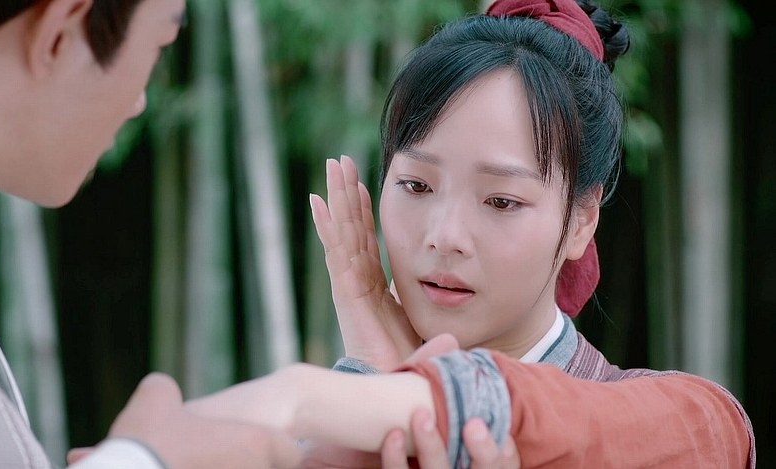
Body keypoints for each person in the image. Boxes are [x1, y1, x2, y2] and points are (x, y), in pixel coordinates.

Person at [0, 0, 511, 467]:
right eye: (161, 43)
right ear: (62, 30)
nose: (140, 100)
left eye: (501, 200)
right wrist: (144, 459)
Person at [187, 0, 756, 467]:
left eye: (501, 201)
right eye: (415, 185)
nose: (445, 236)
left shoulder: (668, 423)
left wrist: (381, 396)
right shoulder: (320, 437)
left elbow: (718, 430)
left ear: (582, 219)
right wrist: (372, 379)